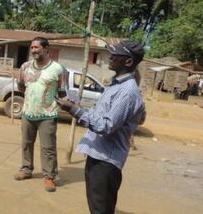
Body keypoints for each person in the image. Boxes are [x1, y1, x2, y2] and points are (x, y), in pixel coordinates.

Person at [57, 40, 146, 213]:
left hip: (106, 162)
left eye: (115, 55)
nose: (110, 57)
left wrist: (74, 110)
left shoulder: (127, 92)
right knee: (97, 207)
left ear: (128, 62)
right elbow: (102, 115)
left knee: (100, 209)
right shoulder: (115, 85)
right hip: (97, 154)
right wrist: (79, 106)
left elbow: (105, 126)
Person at [13, 37, 66, 192]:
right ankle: (26, 169)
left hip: (48, 115)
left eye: (37, 48)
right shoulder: (25, 66)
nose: (33, 51)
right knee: (26, 143)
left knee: (48, 148)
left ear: (46, 49)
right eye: (32, 48)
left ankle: (49, 177)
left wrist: (70, 107)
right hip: (28, 113)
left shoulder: (57, 69)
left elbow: (62, 92)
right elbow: (22, 86)